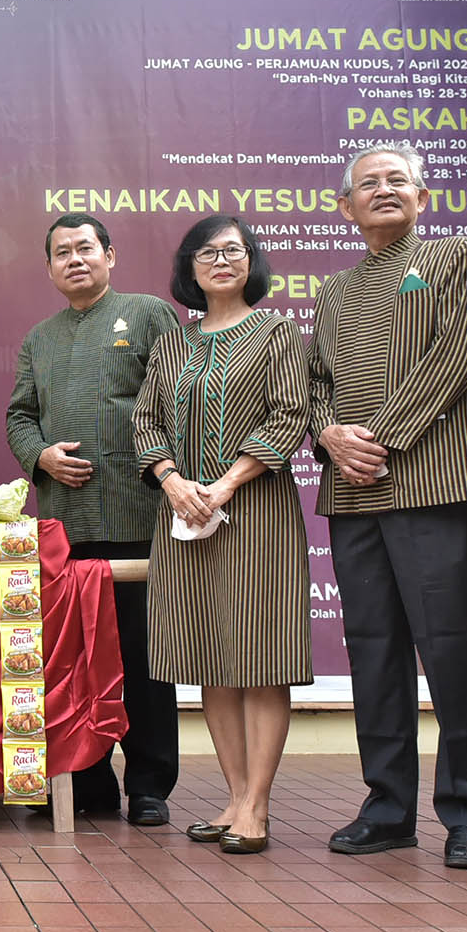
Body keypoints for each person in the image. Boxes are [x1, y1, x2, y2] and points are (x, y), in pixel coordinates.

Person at [310, 144, 467, 869]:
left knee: (453, 646)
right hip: (352, 496)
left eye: (398, 180)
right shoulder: (333, 291)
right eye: (369, 184)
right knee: (374, 652)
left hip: (431, 485)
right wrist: (329, 433)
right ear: (346, 207)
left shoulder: (457, 256)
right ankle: (387, 806)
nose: (385, 190)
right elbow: (313, 383)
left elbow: (457, 356)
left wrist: (380, 439)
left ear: (422, 195)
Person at [132, 217, 309, 854]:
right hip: (183, 517)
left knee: (261, 657)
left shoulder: (277, 332)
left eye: (234, 250)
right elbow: (145, 418)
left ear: (252, 262)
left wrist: (226, 483)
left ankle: (257, 808)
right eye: (207, 253)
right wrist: (173, 479)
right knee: (208, 655)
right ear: (189, 268)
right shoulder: (172, 343)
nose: (221, 261)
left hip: (255, 514)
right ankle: (233, 797)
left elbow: (292, 416)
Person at [5, 213, 180, 826]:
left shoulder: (151, 314)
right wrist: (40, 456)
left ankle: (151, 785)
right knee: (74, 659)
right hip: (66, 527)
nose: (75, 259)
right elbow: (19, 416)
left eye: (86, 248)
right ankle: (88, 783)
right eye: (62, 253)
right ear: (49, 268)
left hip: (141, 516)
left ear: (111, 255)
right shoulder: (39, 338)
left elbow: (176, 402)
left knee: (143, 658)